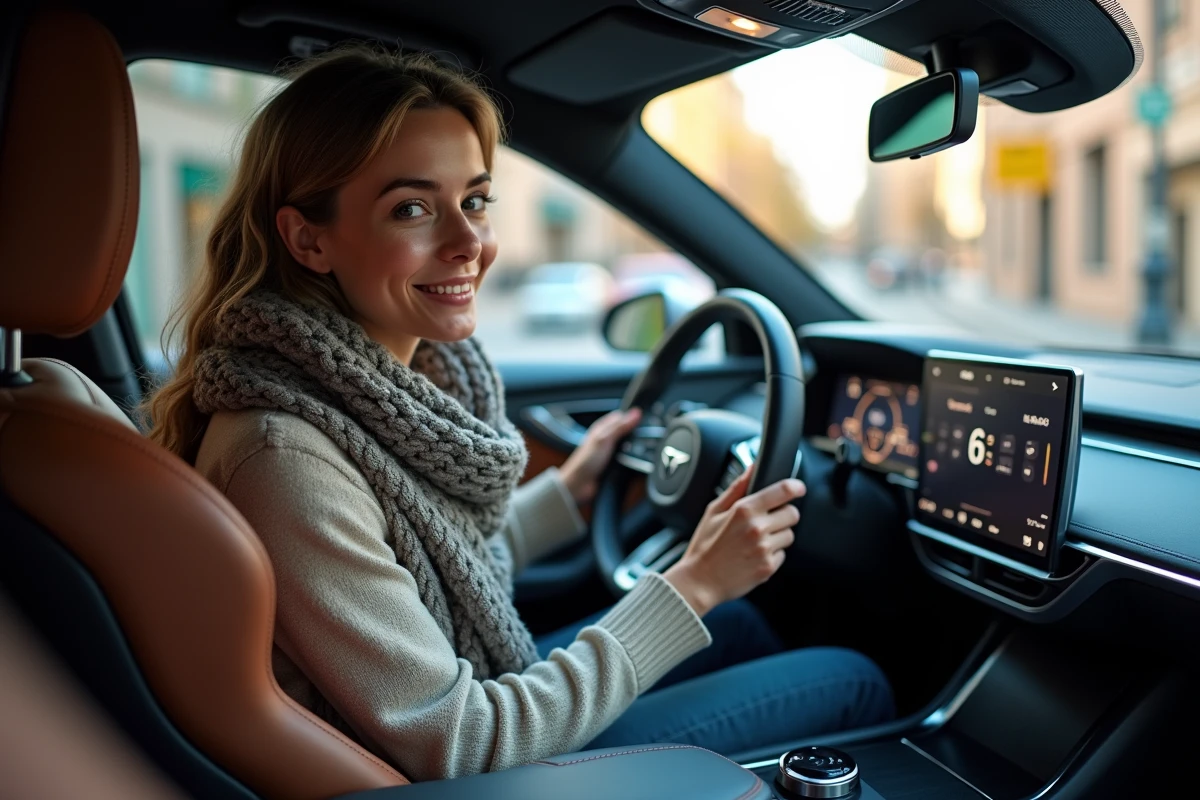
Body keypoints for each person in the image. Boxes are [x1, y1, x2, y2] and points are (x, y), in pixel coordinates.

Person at [144, 46, 893, 782]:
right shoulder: (287, 458)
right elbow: (461, 742)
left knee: (741, 628)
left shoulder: (372, 395)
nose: (469, 242)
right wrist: (695, 581)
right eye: (412, 209)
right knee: (852, 677)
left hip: (465, 730)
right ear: (309, 239)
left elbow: (441, 576)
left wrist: (568, 497)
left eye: (474, 200)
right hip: (478, 772)